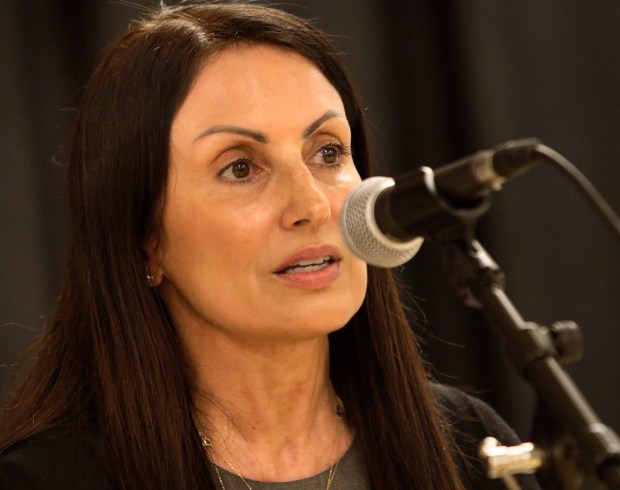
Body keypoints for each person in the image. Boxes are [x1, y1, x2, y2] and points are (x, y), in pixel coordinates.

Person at [0, 2, 540, 489]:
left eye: (328, 153)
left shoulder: (472, 447)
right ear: (145, 241)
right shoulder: (48, 478)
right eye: (240, 168)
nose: (312, 205)